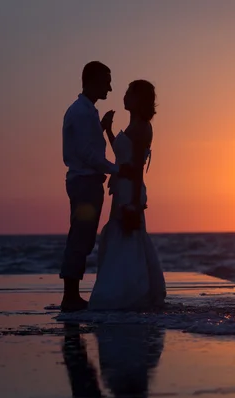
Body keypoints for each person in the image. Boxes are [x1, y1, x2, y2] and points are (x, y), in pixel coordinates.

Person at [60, 61, 135, 312]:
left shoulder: (86, 110)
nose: (110, 87)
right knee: (81, 236)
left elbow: (88, 146)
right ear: (93, 81)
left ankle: (71, 294)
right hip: (84, 182)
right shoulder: (81, 112)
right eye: (106, 81)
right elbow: (87, 154)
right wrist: (117, 169)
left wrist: (103, 129)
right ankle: (69, 296)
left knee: (84, 235)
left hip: (87, 182)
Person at [88, 80, 166, 310]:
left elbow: (138, 169)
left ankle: (129, 292)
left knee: (129, 237)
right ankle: (121, 289)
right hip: (121, 186)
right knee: (119, 236)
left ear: (138, 99)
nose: (123, 98)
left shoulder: (142, 127)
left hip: (130, 189)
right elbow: (123, 155)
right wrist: (109, 130)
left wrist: (133, 202)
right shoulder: (133, 125)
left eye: (128, 94)